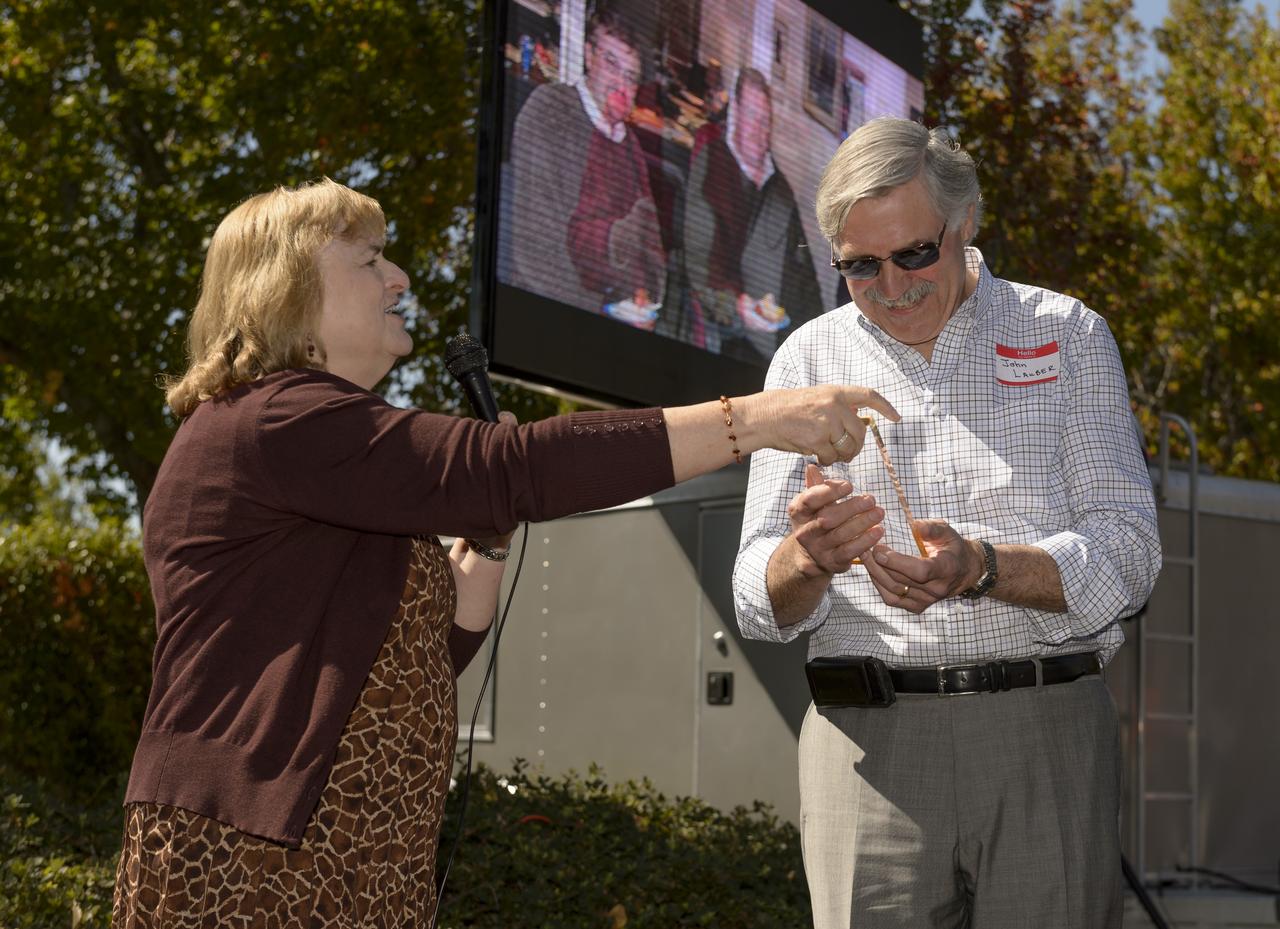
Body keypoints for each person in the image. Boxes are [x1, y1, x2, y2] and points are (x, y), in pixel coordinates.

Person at [110, 177, 896, 927]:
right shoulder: (275, 420)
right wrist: (755, 419)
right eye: (370, 259)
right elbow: (513, 469)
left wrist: (481, 546)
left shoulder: (322, 444)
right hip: (259, 850)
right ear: (287, 291)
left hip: (347, 850)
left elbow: (414, 658)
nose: (401, 277)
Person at [731, 117, 1161, 929]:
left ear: (965, 225)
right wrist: (809, 558)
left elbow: (1132, 553)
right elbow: (757, 596)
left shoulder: (1066, 335)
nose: (891, 286)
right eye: (859, 266)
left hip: (1044, 733)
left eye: (913, 254)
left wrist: (985, 566)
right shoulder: (803, 363)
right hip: (866, 749)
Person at [507, 9, 665, 317]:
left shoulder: (629, 143)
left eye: (631, 76)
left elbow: (650, 244)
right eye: (611, 63)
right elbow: (536, 250)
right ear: (589, 56)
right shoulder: (550, 110)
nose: (620, 83)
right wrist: (602, 310)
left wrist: (642, 298)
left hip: (615, 316)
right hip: (547, 310)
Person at [682, 67, 822, 362]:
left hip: (788, 339)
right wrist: (735, 306)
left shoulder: (779, 183)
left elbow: (804, 266)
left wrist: (821, 334)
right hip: (733, 337)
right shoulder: (714, 165)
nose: (761, 131)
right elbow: (699, 262)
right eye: (753, 118)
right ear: (736, 114)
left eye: (766, 121)